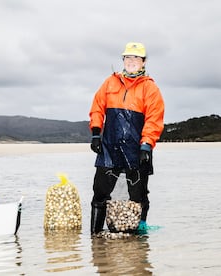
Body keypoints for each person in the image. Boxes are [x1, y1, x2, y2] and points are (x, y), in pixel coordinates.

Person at [89, 42, 164, 234]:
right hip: (109, 148)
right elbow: (97, 106)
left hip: (137, 150)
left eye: (136, 58)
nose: (131, 62)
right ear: (123, 60)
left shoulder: (150, 88)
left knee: (137, 195)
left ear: (143, 62)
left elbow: (154, 119)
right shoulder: (110, 82)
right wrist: (96, 133)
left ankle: (138, 241)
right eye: (128, 58)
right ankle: (95, 238)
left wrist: (146, 145)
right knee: (99, 193)